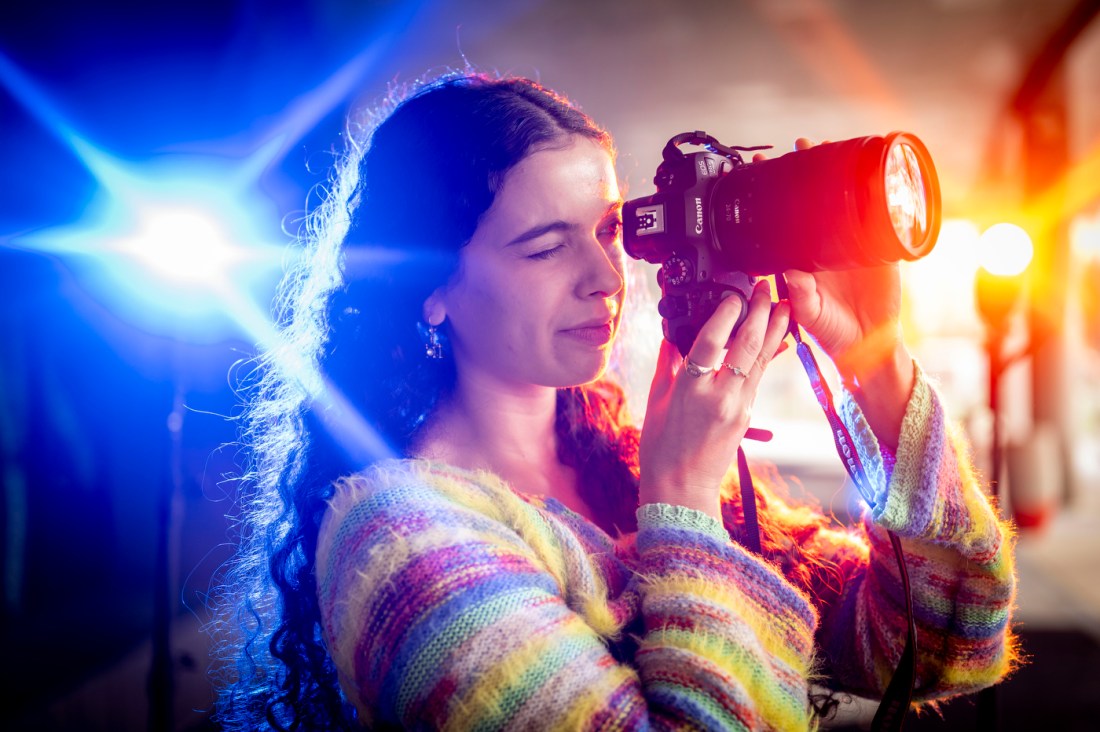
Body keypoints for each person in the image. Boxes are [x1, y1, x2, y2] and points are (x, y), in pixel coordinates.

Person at [214, 73, 1018, 731]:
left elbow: (950, 644)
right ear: (429, 288)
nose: (605, 278)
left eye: (606, 231)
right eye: (545, 245)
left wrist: (877, 358)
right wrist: (687, 503)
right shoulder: (397, 544)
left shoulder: (617, 457)